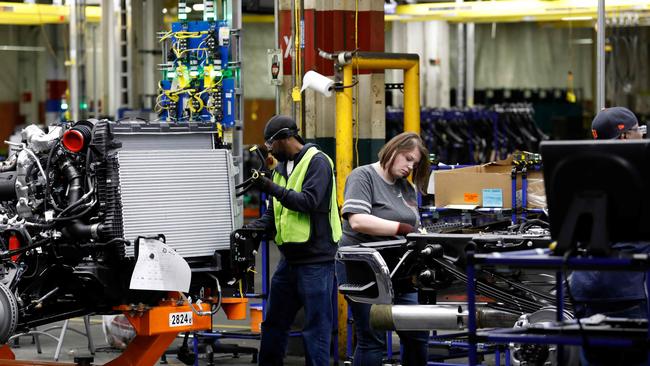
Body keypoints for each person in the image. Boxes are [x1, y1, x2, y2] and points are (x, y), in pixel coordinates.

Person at [244, 115, 341, 366]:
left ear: (286, 138)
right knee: (274, 324)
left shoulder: (318, 162)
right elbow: (275, 213)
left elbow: (309, 202)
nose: (269, 149)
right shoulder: (281, 169)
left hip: (316, 262)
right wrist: (249, 230)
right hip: (289, 262)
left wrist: (268, 186)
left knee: (316, 330)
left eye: (271, 144)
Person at [337, 132, 431, 366]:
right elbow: (357, 220)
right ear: (394, 150)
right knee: (372, 339)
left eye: (415, 163)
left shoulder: (406, 188)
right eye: (408, 158)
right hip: (363, 267)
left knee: (418, 333)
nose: (410, 166)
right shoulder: (363, 176)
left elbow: (414, 226)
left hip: (399, 268)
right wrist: (402, 227)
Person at [571, 106, 649, 366]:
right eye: (640, 131)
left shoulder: (580, 171)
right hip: (625, 290)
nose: (643, 137)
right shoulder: (637, 173)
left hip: (584, 288)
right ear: (625, 137)